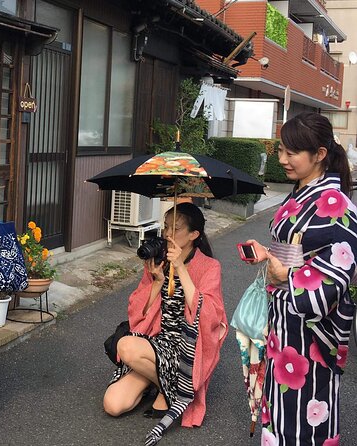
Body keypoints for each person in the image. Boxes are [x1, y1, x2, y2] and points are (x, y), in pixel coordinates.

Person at [246, 112, 357, 445]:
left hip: (311, 328)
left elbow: (341, 270)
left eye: (290, 153)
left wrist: (287, 273)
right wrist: (269, 255)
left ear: (320, 155)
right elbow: (296, 249)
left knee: (308, 407)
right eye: (280, 150)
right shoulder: (304, 193)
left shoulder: (337, 206)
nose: (282, 160)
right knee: (280, 402)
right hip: (285, 321)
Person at [103, 202, 227, 444]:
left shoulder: (210, 267)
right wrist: (158, 281)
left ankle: (165, 383)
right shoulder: (159, 261)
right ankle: (170, 386)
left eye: (176, 229)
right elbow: (138, 313)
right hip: (155, 342)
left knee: (126, 346)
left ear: (194, 235)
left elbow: (210, 316)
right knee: (113, 405)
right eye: (165, 227)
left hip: (186, 349)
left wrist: (181, 267)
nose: (167, 234)